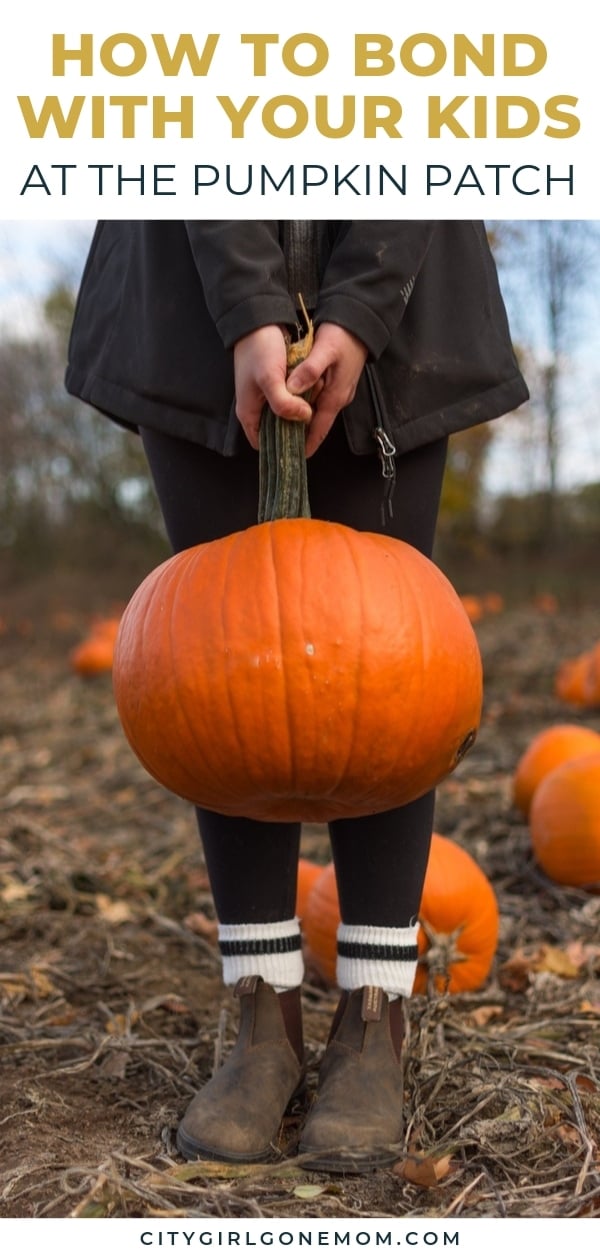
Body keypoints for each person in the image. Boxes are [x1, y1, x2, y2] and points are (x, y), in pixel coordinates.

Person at [65, 220, 528, 1172]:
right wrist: (247, 308)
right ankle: (260, 1014)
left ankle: (372, 1015)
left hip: (402, 287)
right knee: (223, 665)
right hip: (191, 290)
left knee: (392, 668)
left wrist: (359, 305)